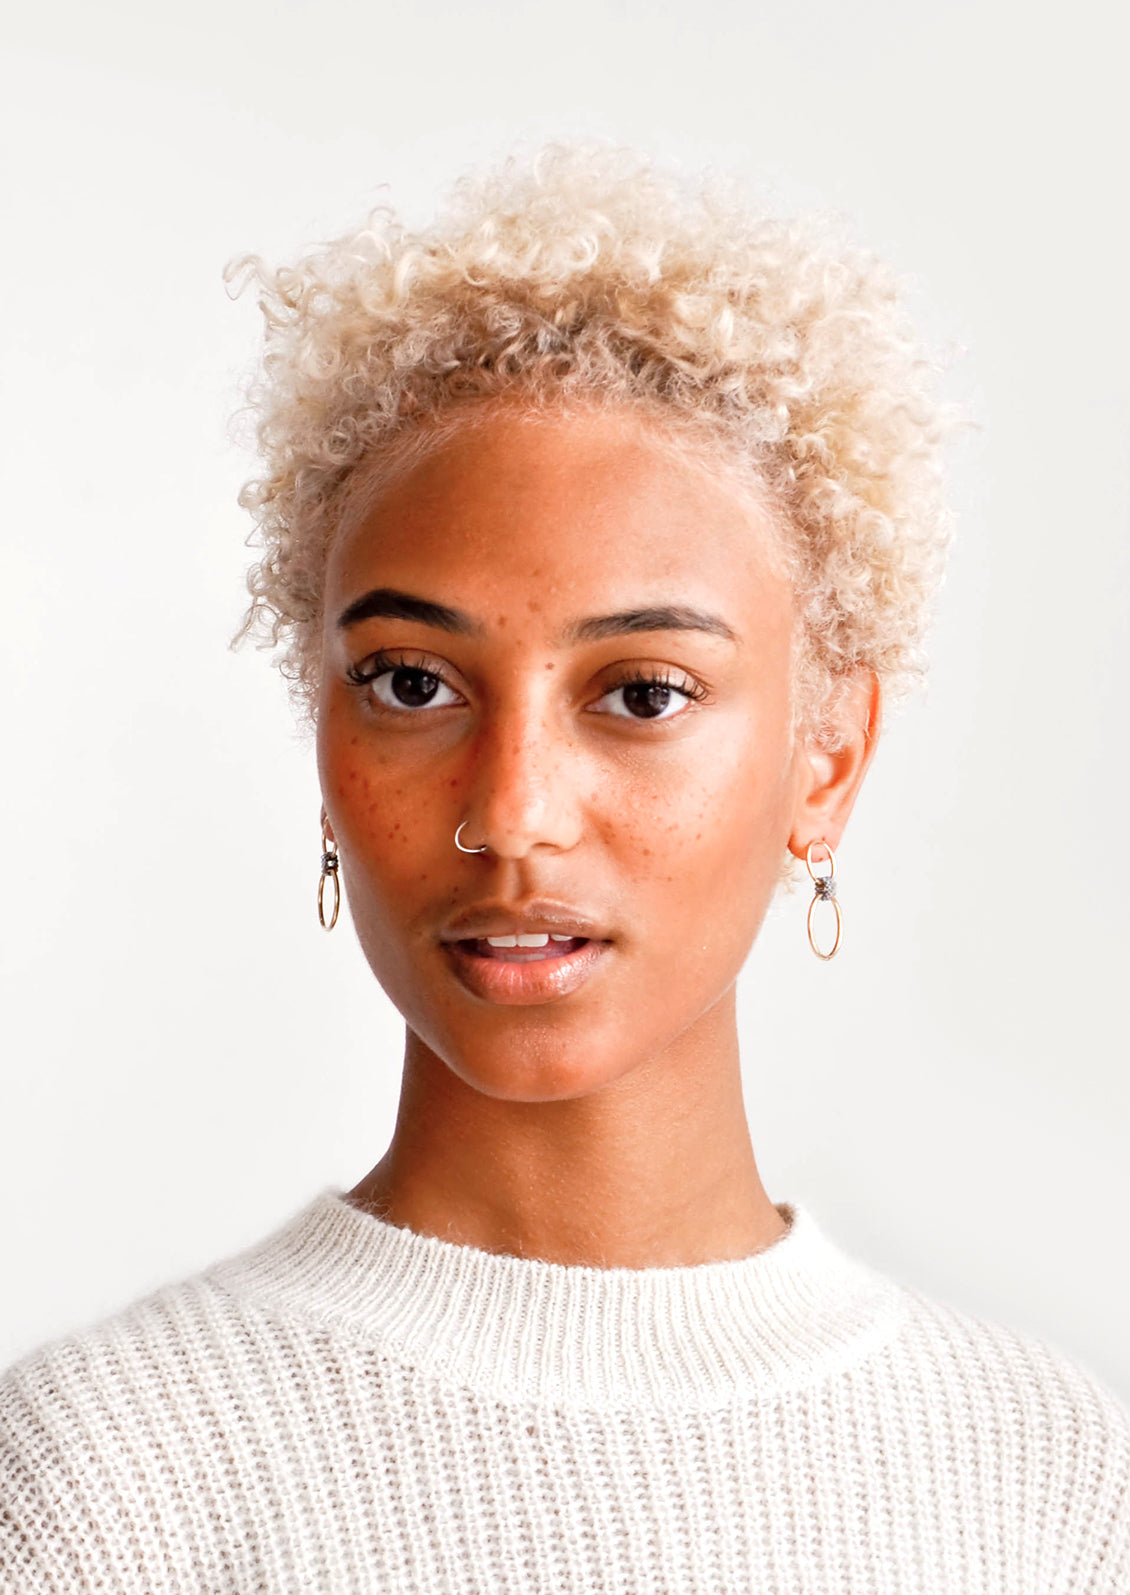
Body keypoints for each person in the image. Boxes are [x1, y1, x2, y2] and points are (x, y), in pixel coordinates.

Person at [2, 140, 1127, 1594]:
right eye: (412, 684)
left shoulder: (1049, 1478)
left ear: (828, 759)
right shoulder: (100, 1480)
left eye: (642, 693)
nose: (513, 812)